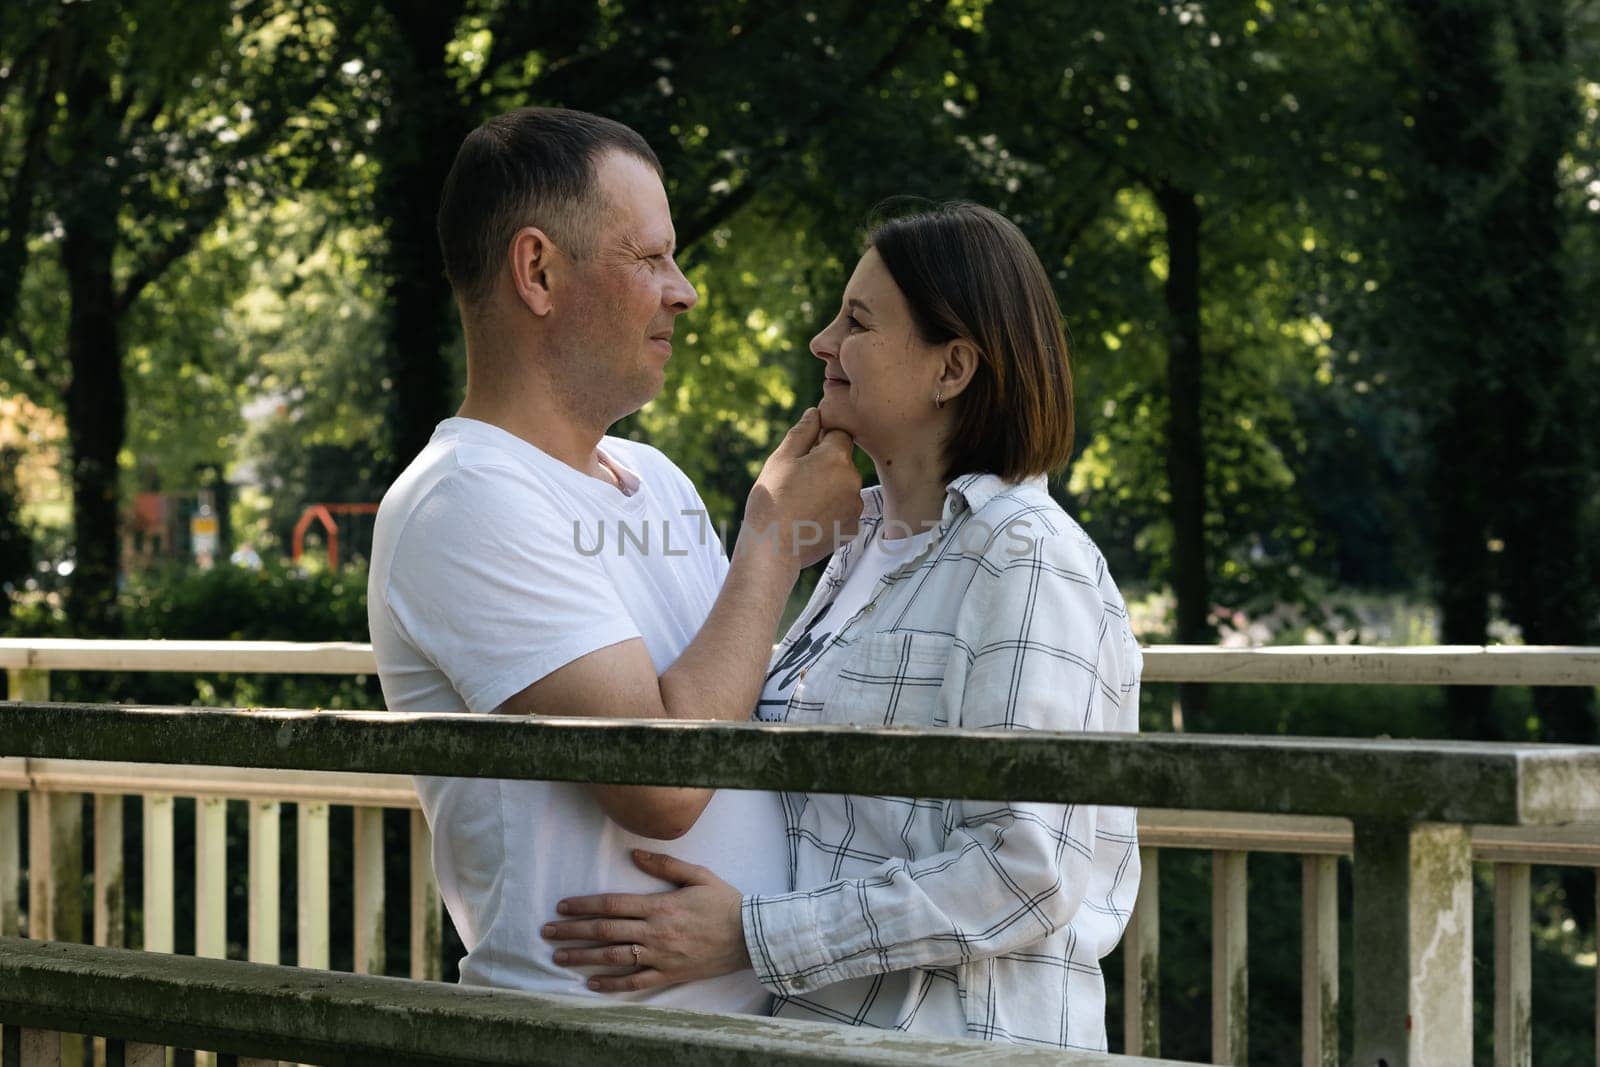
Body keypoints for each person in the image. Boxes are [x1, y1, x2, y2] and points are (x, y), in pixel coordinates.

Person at [541, 202, 1143, 1051]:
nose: (822, 343)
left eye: (856, 322)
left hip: (957, 1045)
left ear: (953, 367)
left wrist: (753, 935)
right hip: (824, 1038)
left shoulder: (1025, 557)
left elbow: (1026, 868)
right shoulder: (859, 547)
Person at [366, 107, 862, 1013]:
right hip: (583, 1037)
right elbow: (664, 779)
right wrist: (770, 543)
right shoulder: (464, 498)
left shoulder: (656, 479)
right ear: (539, 271)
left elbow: (728, 708)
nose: (685, 290)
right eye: (650, 257)